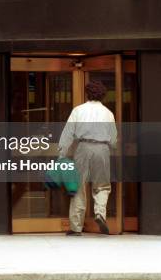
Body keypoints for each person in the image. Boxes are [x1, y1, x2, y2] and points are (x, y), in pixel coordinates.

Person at [57, 80, 117, 236]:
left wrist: (62, 153)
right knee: (102, 186)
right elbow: (114, 139)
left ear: (87, 93)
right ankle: (100, 214)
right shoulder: (108, 113)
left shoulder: (78, 110)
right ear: (103, 95)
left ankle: (76, 227)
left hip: (83, 148)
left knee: (78, 186)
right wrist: (113, 149)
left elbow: (68, 133)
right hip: (102, 149)